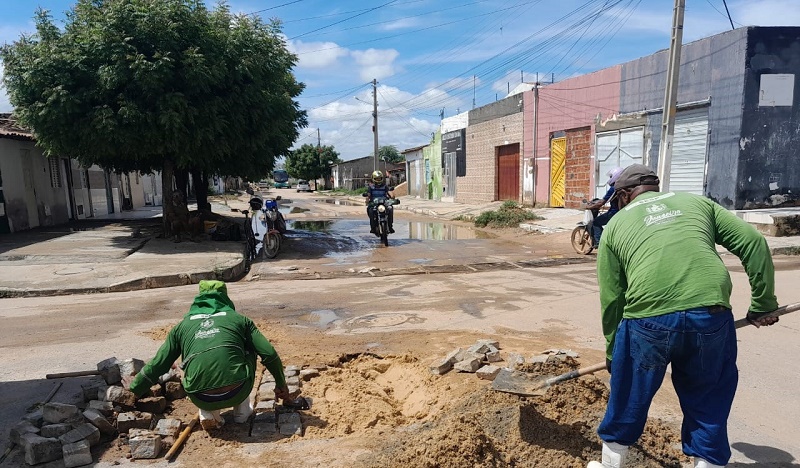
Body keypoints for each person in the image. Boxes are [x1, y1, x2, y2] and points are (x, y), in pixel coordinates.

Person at [588, 164, 780, 468]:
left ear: (623, 195)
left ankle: (611, 463)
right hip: (710, 317)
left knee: (628, 395)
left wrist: (614, 351)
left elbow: (612, 298)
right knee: (708, 399)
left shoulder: (614, 226)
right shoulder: (697, 203)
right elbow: (754, 242)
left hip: (647, 322)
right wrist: (764, 303)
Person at [125, 280, 294, 431]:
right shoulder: (240, 320)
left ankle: (207, 412)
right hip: (238, 390)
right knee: (248, 349)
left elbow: (159, 363)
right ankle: (242, 412)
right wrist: (281, 385)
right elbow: (269, 354)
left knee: (189, 361)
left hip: (200, 396)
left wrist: (135, 389)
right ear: (225, 297)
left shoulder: (181, 327)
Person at [587, 167, 623, 246]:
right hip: (622, 212)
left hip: (614, 212)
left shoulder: (613, 188)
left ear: (615, 176)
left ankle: (600, 244)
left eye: (611, 176)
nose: (610, 178)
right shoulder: (622, 187)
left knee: (596, 222)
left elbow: (602, 202)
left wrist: (589, 207)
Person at [365, 170, 395, 234]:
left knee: (390, 208)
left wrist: (392, 197)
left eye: (379, 178)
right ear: (373, 179)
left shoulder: (385, 186)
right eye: (376, 178)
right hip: (374, 204)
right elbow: (368, 195)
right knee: (370, 210)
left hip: (384, 203)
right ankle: (373, 227)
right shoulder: (371, 187)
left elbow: (390, 193)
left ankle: (390, 226)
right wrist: (367, 200)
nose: (378, 180)